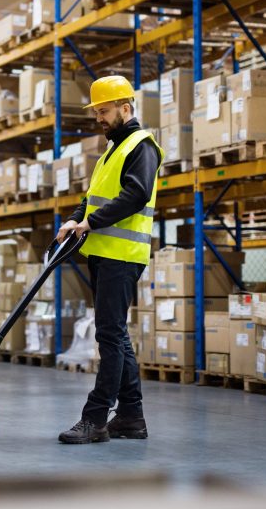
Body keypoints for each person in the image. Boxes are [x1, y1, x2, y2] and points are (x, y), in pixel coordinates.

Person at [56, 75, 164, 444]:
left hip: (121, 255)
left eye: (104, 111)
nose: (99, 118)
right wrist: (75, 218)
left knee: (109, 336)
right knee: (116, 334)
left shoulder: (141, 146)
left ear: (125, 108)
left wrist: (92, 221)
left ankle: (96, 418)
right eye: (97, 112)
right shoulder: (110, 151)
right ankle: (132, 417)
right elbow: (94, 197)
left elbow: (136, 195)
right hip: (102, 252)